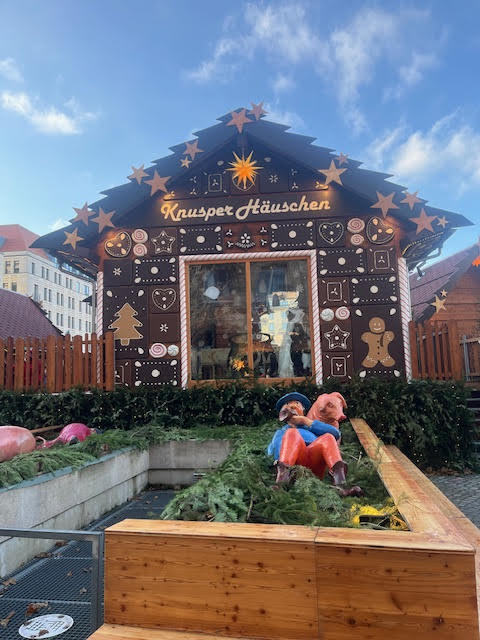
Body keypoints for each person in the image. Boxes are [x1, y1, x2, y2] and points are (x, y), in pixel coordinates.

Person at [267, 392, 363, 497]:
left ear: (303, 411)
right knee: (291, 433)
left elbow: (335, 433)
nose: (292, 406)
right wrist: (276, 460)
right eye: (287, 405)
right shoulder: (282, 432)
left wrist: (306, 421)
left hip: (315, 463)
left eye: (297, 404)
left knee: (328, 437)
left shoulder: (312, 427)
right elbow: (272, 450)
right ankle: (281, 482)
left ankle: (341, 485)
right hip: (294, 468)